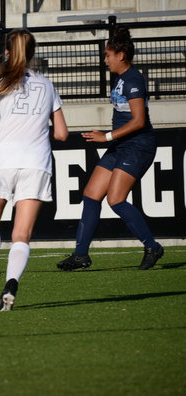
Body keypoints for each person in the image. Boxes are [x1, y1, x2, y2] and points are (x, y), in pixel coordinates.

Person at [0, 29, 68, 311]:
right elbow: (61, 133)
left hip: (4, 160)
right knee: (22, 236)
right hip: (37, 163)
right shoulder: (47, 85)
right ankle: (11, 284)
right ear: (32, 53)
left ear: (7, 52)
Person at [57, 27, 164, 271]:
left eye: (108, 55)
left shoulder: (133, 79)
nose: (105, 60)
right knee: (91, 195)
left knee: (116, 200)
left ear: (121, 55)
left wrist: (106, 136)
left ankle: (152, 247)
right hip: (120, 145)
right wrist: (110, 137)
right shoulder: (118, 78)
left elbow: (139, 121)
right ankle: (80, 255)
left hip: (138, 146)